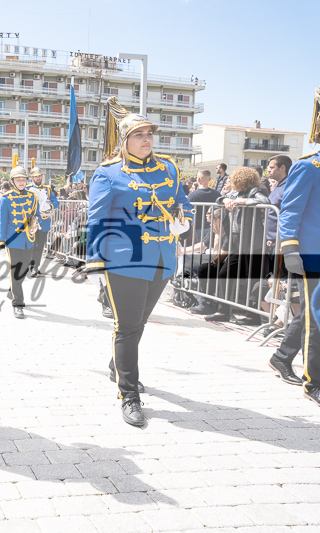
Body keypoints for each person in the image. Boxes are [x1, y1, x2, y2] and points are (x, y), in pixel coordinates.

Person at [86, 97, 193, 427]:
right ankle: (128, 395)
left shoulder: (169, 168)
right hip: (125, 259)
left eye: (149, 133)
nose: (147, 139)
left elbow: (182, 201)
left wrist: (184, 220)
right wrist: (95, 260)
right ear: (124, 140)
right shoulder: (108, 173)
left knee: (139, 323)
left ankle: (116, 366)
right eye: (139, 134)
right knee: (128, 326)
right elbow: (97, 218)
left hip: (162, 257)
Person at [270, 86, 320, 408]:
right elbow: (290, 211)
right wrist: (290, 249)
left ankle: (282, 356)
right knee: (317, 317)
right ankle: (314, 382)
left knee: (313, 313)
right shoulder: (309, 166)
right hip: (314, 253)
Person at [204, 167, 270, 324]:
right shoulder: (234, 193)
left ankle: (252, 316)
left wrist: (243, 202)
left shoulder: (254, 191)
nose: (231, 182)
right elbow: (219, 199)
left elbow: (265, 202)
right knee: (224, 274)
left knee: (252, 279)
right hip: (236, 241)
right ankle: (223, 311)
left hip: (253, 242)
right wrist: (225, 200)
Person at [0, 156, 38, 319]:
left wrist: (40, 218)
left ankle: (12, 290)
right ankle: (18, 304)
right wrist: (1, 241)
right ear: (12, 182)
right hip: (13, 240)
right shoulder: (6, 199)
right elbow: (2, 221)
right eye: (18, 180)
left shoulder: (32, 197)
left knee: (24, 269)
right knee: (16, 271)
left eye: (23, 179)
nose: (21, 182)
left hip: (29, 239)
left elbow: (36, 215)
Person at [27, 161, 59, 277]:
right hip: (31, 221)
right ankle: (30, 265)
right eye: (36, 176)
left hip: (44, 221)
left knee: (40, 246)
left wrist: (50, 206)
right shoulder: (28, 188)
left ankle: (35, 267)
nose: (38, 178)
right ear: (32, 178)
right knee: (32, 245)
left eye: (39, 176)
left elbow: (56, 202)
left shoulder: (48, 189)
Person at [187, 169, 220, 244]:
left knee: (197, 249)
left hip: (197, 227)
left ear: (198, 179)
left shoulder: (192, 195)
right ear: (210, 179)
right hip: (212, 227)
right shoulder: (217, 194)